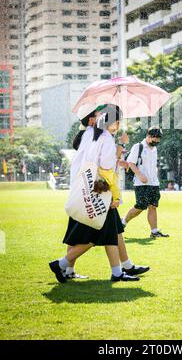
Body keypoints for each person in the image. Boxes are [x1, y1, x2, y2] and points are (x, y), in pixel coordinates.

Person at [49, 104, 150, 283]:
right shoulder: (105, 138)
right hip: (98, 190)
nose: (119, 124)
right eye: (118, 121)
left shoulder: (90, 133)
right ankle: (62, 264)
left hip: (83, 187)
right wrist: (116, 193)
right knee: (95, 234)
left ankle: (120, 269)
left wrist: (117, 147)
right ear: (112, 122)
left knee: (112, 230)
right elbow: (106, 169)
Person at [122, 127, 169, 238]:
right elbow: (130, 163)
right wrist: (140, 175)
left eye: (158, 140)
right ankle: (123, 222)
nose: (156, 142)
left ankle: (154, 231)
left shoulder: (154, 149)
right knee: (140, 206)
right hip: (141, 183)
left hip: (154, 183)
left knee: (153, 206)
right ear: (148, 136)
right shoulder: (138, 147)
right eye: (154, 140)